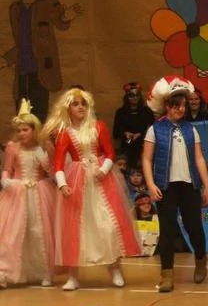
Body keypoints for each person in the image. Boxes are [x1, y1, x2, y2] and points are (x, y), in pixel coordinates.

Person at [43, 87, 140, 290]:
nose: (80, 107)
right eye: (76, 104)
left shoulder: (99, 127)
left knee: (108, 224)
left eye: (83, 104)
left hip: (102, 181)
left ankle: (115, 268)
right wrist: (63, 184)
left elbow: (110, 153)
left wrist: (103, 169)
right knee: (76, 228)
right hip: (77, 182)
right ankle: (73, 276)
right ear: (68, 108)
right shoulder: (64, 133)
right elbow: (59, 164)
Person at [142, 76, 208, 293]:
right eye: (176, 105)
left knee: (194, 227)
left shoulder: (191, 129)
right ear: (167, 106)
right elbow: (146, 159)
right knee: (167, 229)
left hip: (189, 186)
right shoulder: (155, 129)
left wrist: (207, 184)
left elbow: (199, 158)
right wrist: (151, 184)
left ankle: (201, 259)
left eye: (183, 105)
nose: (181, 109)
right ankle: (167, 274)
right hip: (166, 186)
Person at [4, 0, 83, 121]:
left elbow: (61, 22)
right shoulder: (15, 9)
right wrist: (6, 59)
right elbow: (21, 43)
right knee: (23, 120)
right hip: (22, 74)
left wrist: (67, 16)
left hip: (41, 74)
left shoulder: (47, 2)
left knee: (40, 118)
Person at [0, 99, 56, 288]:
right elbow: (7, 169)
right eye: (19, 130)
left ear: (34, 130)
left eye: (25, 130)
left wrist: (44, 157)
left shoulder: (44, 147)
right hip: (17, 193)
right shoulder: (12, 147)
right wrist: (5, 180)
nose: (21, 134)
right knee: (13, 233)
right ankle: (6, 273)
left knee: (39, 232)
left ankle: (44, 272)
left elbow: (52, 172)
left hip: (40, 193)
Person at [112, 82, 155, 166]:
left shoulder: (147, 111)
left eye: (137, 95)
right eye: (131, 95)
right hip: (127, 144)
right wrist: (125, 133)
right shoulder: (121, 112)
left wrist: (140, 134)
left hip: (143, 144)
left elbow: (153, 129)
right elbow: (116, 132)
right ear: (127, 97)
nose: (135, 98)